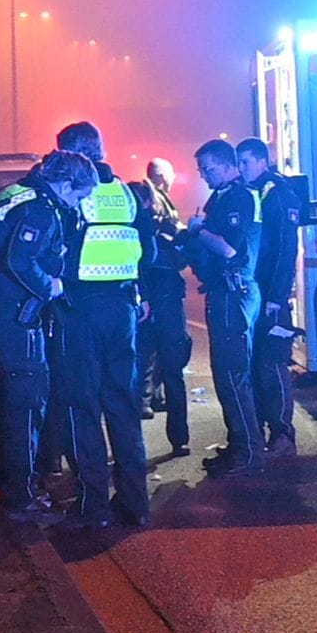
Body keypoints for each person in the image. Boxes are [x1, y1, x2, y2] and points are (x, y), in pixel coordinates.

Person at [0, 149, 96, 521]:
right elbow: (20, 260)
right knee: (26, 399)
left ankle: (10, 483)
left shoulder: (11, 193)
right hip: (15, 314)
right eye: (77, 195)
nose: (77, 203)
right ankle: (21, 498)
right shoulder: (40, 206)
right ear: (66, 183)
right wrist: (49, 286)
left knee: (1, 396)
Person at [45, 122, 156, 530]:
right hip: (123, 308)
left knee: (83, 407)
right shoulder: (126, 193)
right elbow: (150, 249)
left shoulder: (75, 195)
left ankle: (94, 507)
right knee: (123, 406)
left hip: (81, 310)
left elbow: (56, 250)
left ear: (71, 154)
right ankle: (136, 503)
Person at [188, 139, 264, 478]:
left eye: (209, 169)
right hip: (225, 291)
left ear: (227, 164)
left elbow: (229, 249)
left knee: (233, 374)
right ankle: (239, 444)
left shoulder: (238, 197)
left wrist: (197, 231)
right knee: (225, 374)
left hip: (235, 291)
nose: (204, 176)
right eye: (201, 170)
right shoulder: (222, 196)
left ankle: (248, 450)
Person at [236, 138, 302, 459]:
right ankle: (265, 431)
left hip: (270, 297)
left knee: (271, 363)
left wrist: (276, 295)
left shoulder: (277, 195)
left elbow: (285, 250)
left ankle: (282, 434)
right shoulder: (257, 193)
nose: (241, 169)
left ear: (262, 161)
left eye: (246, 162)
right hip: (257, 293)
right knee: (256, 362)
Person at [131, 158, 193, 459]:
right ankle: (179, 439)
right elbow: (179, 254)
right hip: (165, 295)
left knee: (143, 359)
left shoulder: (135, 217)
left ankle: (133, 444)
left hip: (143, 299)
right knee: (173, 368)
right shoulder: (161, 215)